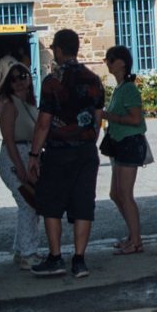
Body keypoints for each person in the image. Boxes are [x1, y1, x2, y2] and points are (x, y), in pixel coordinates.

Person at [25, 29, 105, 278]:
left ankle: (55, 257)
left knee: (51, 204)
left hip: (58, 152)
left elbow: (43, 123)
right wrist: (87, 140)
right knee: (83, 204)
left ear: (59, 49)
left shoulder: (52, 82)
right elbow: (98, 119)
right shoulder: (94, 80)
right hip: (86, 151)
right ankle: (79, 260)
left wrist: (34, 155)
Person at [0, 53, 39, 264]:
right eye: (14, 78)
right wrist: (20, 168)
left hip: (28, 155)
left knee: (31, 204)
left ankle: (22, 250)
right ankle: (27, 253)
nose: (19, 81)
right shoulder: (9, 105)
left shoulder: (30, 104)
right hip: (14, 157)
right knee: (28, 204)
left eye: (23, 76)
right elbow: (8, 140)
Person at [100, 43, 151, 256]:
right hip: (120, 144)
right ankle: (132, 235)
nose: (108, 63)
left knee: (125, 194)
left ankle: (136, 241)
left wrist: (108, 116)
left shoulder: (128, 89)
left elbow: (135, 119)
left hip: (130, 143)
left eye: (110, 60)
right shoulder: (120, 88)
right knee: (116, 193)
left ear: (121, 63)